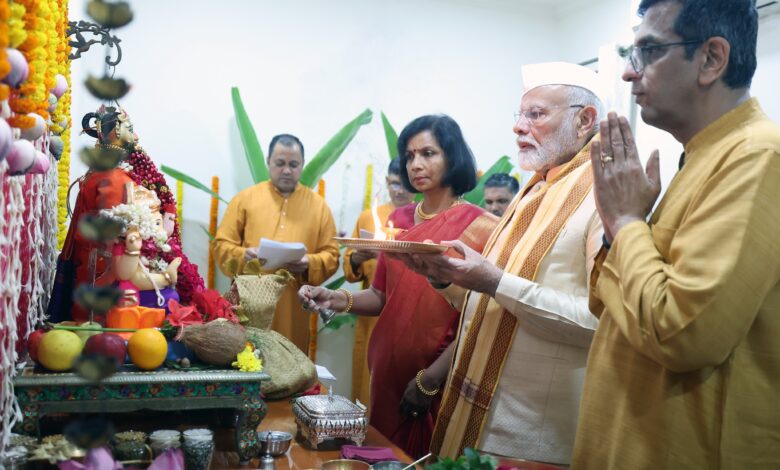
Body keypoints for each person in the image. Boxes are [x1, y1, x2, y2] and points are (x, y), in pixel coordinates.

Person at [573, 1, 780, 468]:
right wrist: (619, 230)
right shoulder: (703, 155)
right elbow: (607, 302)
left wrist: (626, 224)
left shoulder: (758, 156)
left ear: (711, 59)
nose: (629, 73)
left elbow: (683, 335)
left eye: (648, 51)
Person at [392, 63, 606, 464]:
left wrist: (492, 282)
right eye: (520, 115)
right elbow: (490, 303)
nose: (519, 127)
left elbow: (601, 324)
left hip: (532, 437)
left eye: (537, 114)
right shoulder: (537, 186)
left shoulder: (603, 195)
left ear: (585, 120)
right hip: (474, 416)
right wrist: (444, 280)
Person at [299, 115, 498, 458]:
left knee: (424, 459)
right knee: (382, 458)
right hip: (385, 372)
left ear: (452, 157)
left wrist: (430, 379)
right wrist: (333, 297)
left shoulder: (482, 227)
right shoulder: (397, 222)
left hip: (437, 374)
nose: (416, 164)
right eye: (409, 156)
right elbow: (379, 296)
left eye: (428, 153)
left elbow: (481, 317)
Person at [213, 134, 339, 353]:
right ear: (268, 161)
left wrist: (309, 262)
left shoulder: (319, 207)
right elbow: (222, 246)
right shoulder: (245, 199)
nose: (287, 170)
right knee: (247, 361)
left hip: (293, 309)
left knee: (290, 367)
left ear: (302, 165)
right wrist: (245, 255)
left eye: (293, 164)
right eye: (280, 163)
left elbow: (332, 254)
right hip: (249, 306)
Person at [343, 156, 415, 406]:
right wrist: (357, 258)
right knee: (366, 386)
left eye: (405, 185)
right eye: (394, 184)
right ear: (386, 182)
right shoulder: (368, 217)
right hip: (371, 315)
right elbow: (350, 269)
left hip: (408, 318)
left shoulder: (420, 218)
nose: (399, 191)